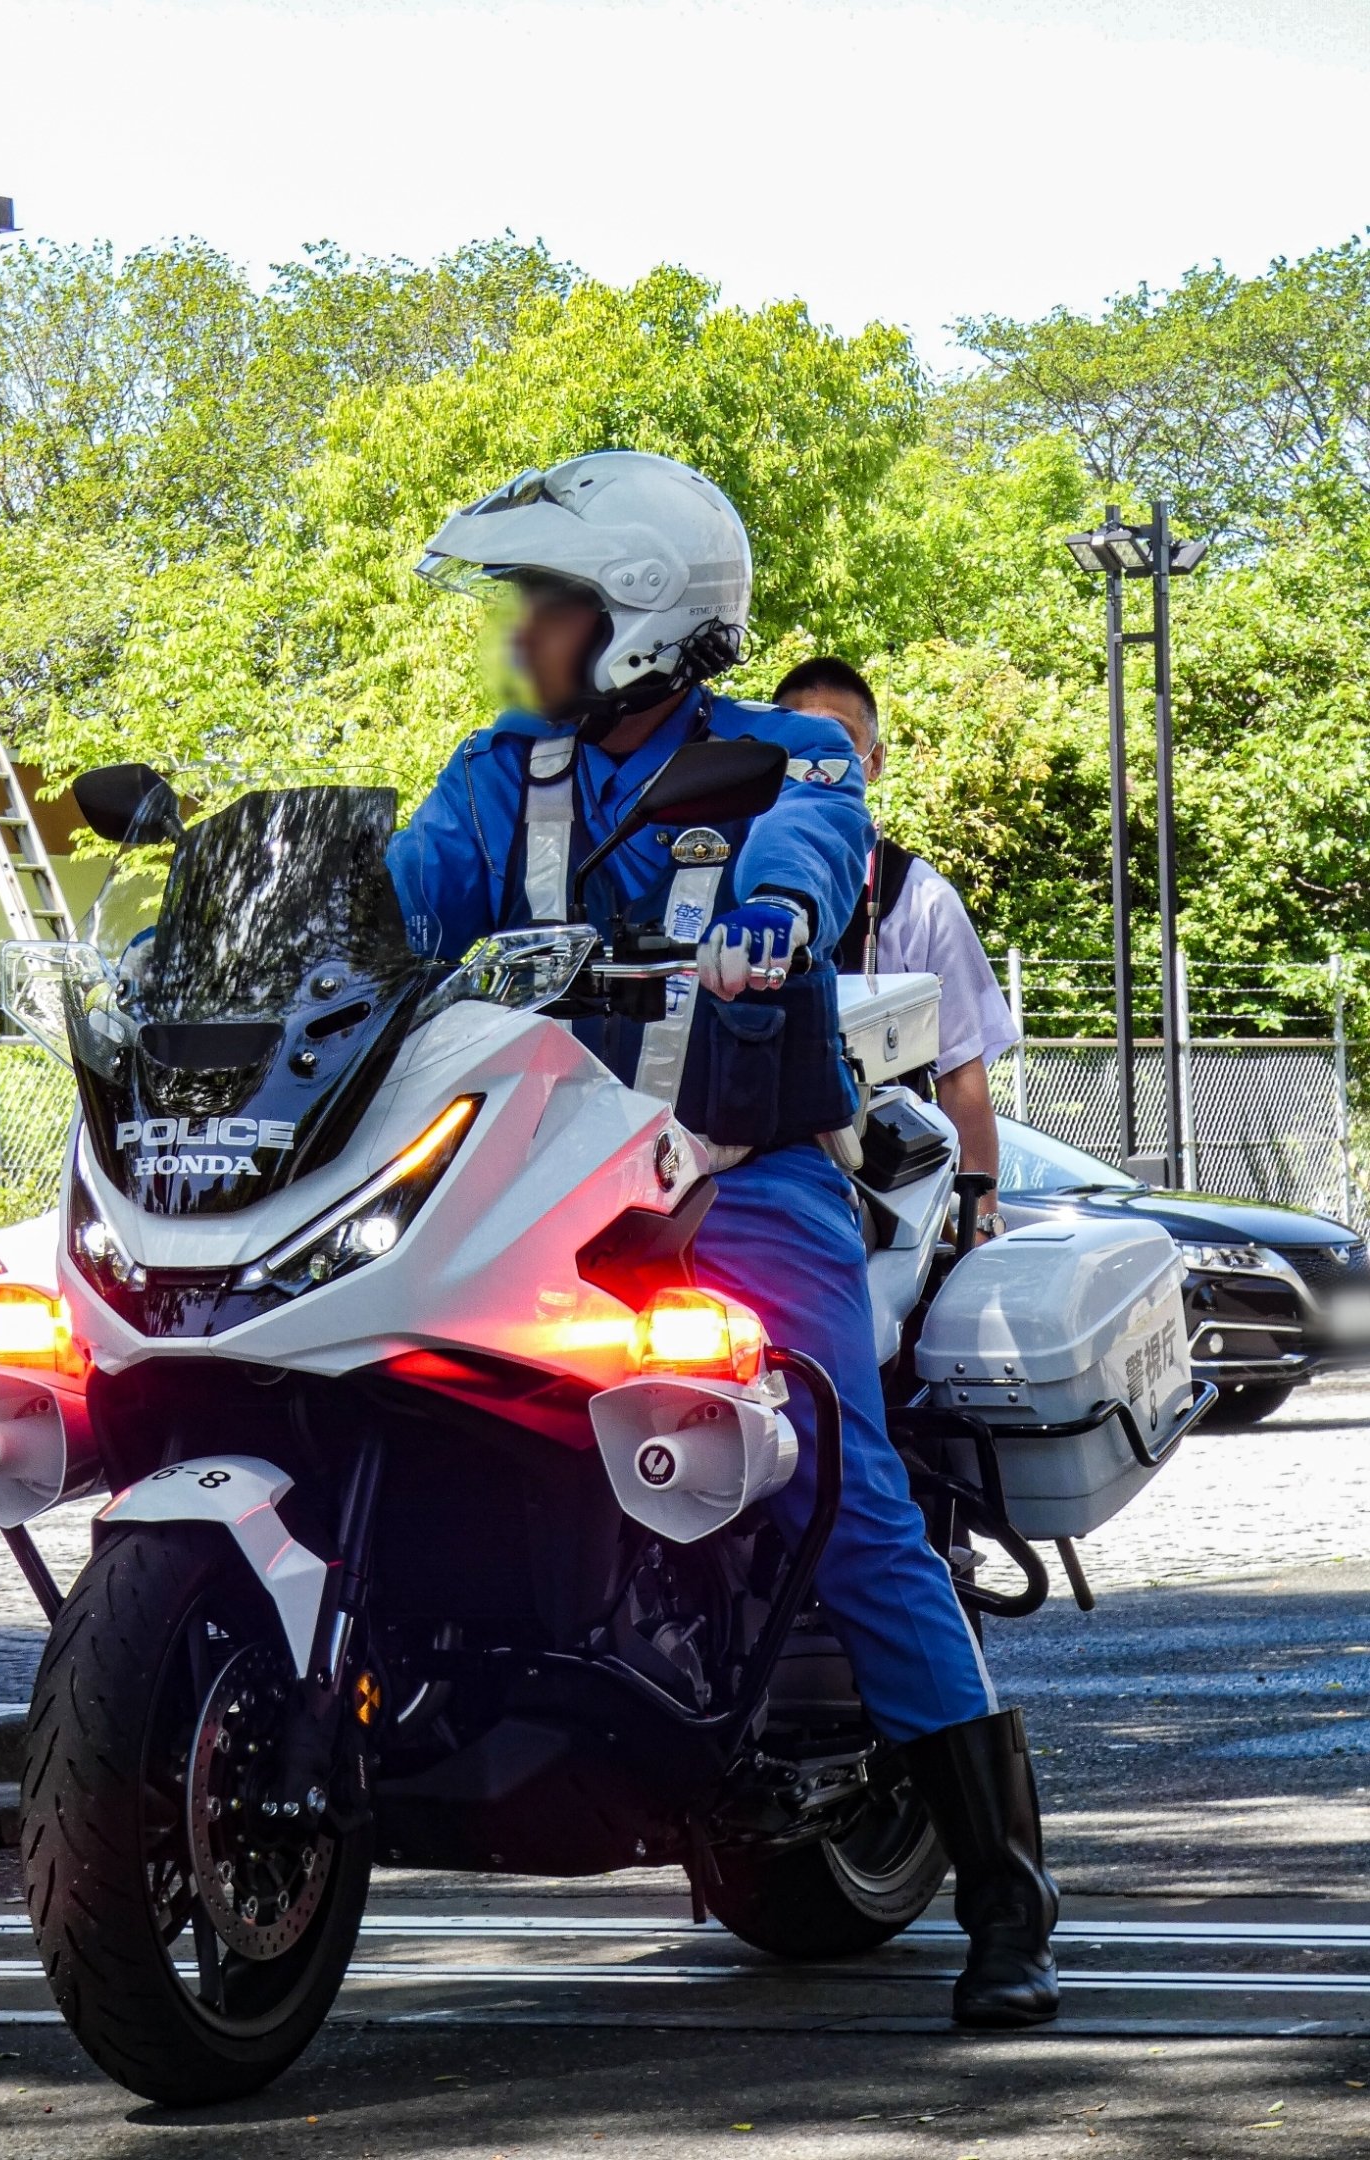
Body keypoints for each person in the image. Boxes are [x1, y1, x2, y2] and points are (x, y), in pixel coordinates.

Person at [387, 450, 1057, 2028]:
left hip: (740, 1166)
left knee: (835, 1472)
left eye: (542, 606)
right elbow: (408, 897)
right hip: (530, 1169)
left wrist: (776, 921)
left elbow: (810, 851)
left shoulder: (786, 760)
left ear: (633, 618)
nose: (520, 636)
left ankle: (1007, 1891)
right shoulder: (501, 774)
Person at [773, 656, 1016, 1243]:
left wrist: (980, 1221)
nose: (813, 768)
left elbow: (961, 1072)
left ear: (873, 763)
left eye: (836, 745)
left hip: (886, 1202)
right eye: (794, 746)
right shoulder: (715, 878)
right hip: (754, 1176)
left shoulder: (920, 897)